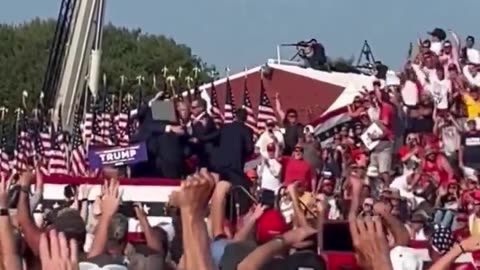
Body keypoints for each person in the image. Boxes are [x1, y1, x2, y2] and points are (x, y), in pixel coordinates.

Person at [189, 97, 219, 170]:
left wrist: (197, 139)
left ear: (201, 108)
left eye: (193, 107)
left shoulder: (207, 119)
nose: (191, 110)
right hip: (200, 153)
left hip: (209, 154)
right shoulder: (194, 120)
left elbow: (205, 134)